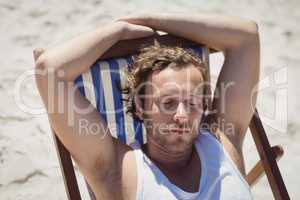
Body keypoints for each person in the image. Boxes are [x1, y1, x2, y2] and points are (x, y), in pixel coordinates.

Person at [35, 12, 260, 200]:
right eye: (168, 103)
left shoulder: (222, 142)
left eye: (192, 103)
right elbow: (50, 71)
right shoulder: (118, 171)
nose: (182, 116)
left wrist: (151, 20)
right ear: (141, 106)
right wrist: (119, 31)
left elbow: (247, 37)